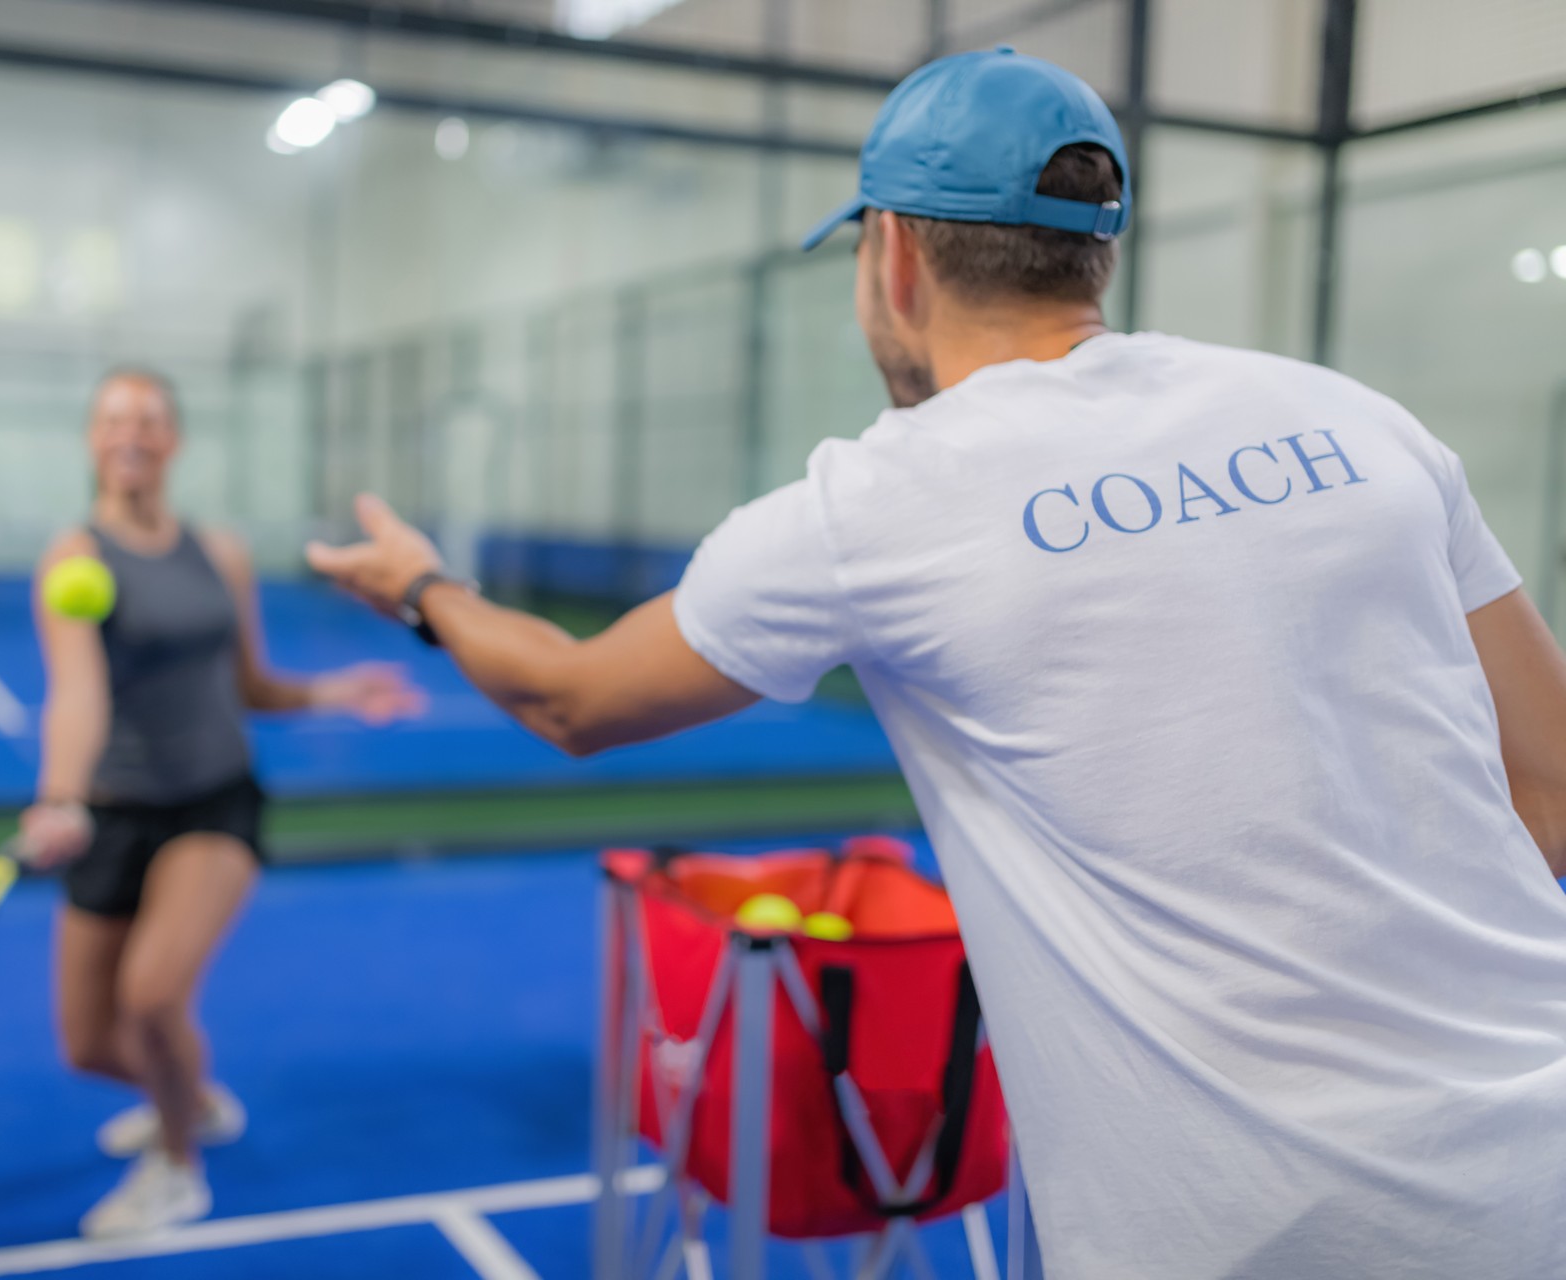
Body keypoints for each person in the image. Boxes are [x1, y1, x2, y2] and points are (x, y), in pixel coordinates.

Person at [306, 50, 1566, 1280]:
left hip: (1252, 1230)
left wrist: (422, 586)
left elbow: (568, 697)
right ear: (1097, 248)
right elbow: (1551, 783)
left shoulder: (874, 503)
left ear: (894, 255)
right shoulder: (1356, 418)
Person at [23, 367, 423, 1238]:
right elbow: (78, 695)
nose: (132, 433)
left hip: (215, 801)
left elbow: (247, 684)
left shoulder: (221, 553)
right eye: (115, 419)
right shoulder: (73, 558)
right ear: (93, 439)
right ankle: (191, 1097)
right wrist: (60, 796)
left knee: (154, 997)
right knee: (90, 1044)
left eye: (150, 420)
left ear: (175, 441)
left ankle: (175, 1166)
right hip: (112, 814)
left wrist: (336, 692)